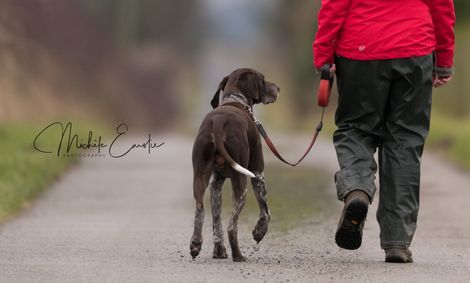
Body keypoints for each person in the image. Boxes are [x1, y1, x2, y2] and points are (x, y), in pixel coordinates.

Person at [313, 0, 455, 263]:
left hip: (360, 50)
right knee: (406, 139)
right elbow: (442, 7)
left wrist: (323, 54)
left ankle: (357, 188)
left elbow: (334, 5)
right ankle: (397, 241)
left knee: (355, 129)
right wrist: (444, 58)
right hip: (414, 49)